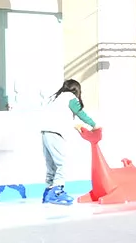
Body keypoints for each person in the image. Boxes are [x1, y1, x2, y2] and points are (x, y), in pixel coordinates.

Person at [41, 78, 96, 206]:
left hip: (45, 131)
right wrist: (94, 125)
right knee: (62, 163)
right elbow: (80, 113)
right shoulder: (70, 97)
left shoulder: (56, 97)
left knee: (51, 165)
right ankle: (57, 191)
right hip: (55, 132)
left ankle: (48, 191)